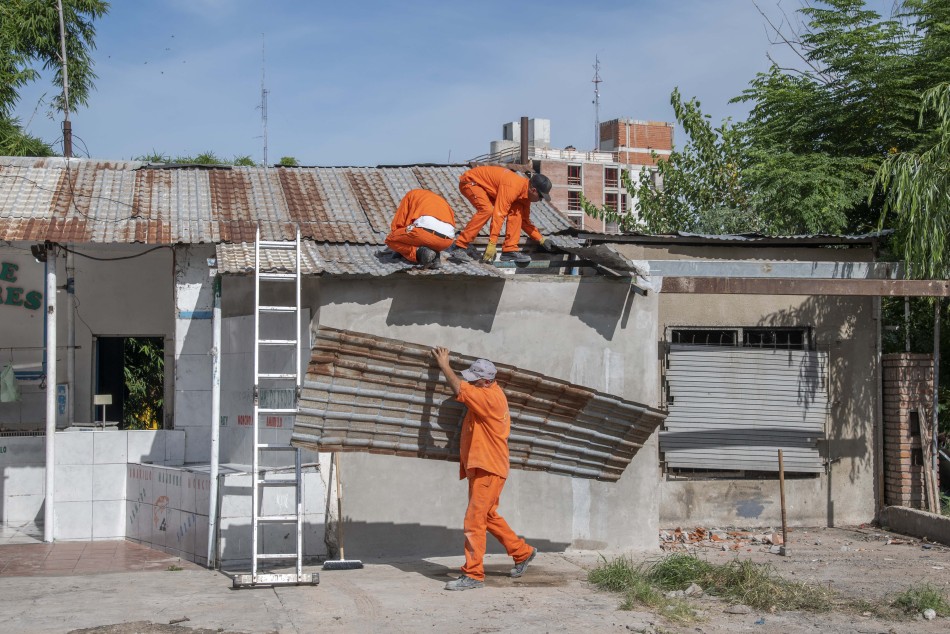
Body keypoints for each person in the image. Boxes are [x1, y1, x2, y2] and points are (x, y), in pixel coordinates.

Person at [430, 346, 537, 591]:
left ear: (485, 381)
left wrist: (444, 365)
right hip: (483, 467)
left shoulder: (489, 398)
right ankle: (522, 552)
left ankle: (474, 575)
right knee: (487, 516)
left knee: (474, 521)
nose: (471, 383)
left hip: (489, 468)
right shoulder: (488, 392)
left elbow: (458, 388)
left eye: (475, 380)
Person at [448, 166, 555, 264]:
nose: (540, 200)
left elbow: (525, 221)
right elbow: (499, 214)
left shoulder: (524, 196)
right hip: (471, 182)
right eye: (540, 197)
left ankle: (510, 250)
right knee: (487, 210)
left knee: (517, 213)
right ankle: (459, 246)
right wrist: (492, 243)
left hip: (487, 189)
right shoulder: (513, 187)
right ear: (534, 190)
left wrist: (540, 239)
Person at [384, 189, 456, 268]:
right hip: (446, 241)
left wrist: (399, 247)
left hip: (424, 233)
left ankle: (420, 253)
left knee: (390, 239)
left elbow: (400, 221)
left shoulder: (411, 194)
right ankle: (435, 256)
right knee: (426, 238)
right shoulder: (441, 201)